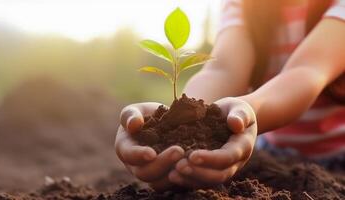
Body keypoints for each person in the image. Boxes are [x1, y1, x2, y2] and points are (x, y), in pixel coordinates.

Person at [115, 0, 345, 190]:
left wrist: (245, 112)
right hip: (274, 153)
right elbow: (222, 70)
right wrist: (175, 125)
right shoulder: (244, 6)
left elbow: (307, 70)